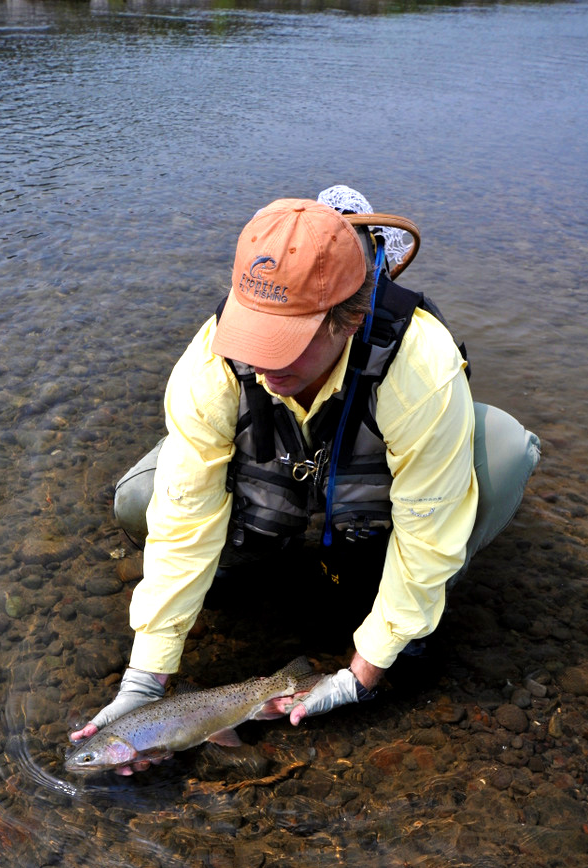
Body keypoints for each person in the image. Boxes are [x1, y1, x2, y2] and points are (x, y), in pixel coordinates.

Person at [70, 187, 540, 772]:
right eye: (252, 337)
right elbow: (183, 519)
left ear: (348, 320)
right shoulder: (209, 363)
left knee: (501, 451)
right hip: (278, 508)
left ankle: (393, 605)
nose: (263, 365)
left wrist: (365, 670)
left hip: (379, 509)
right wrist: (146, 677)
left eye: (284, 344)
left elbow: (428, 527)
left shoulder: (420, 365)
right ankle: (255, 568)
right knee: (143, 498)